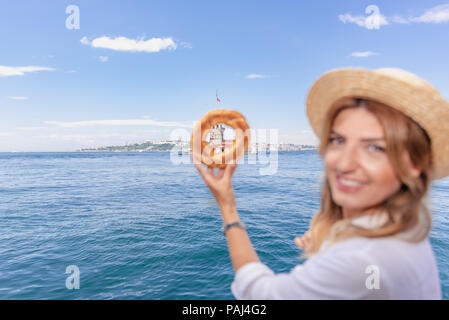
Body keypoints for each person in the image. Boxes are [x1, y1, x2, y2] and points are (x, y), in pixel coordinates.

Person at [193, 68, 449, 299]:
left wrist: (227, 207)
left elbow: (260, 295)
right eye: (338, 140)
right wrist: (328, 246)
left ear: (415, 164)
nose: (345, 163)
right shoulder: (407, 230)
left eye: (375, 147)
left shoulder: (361, 260)